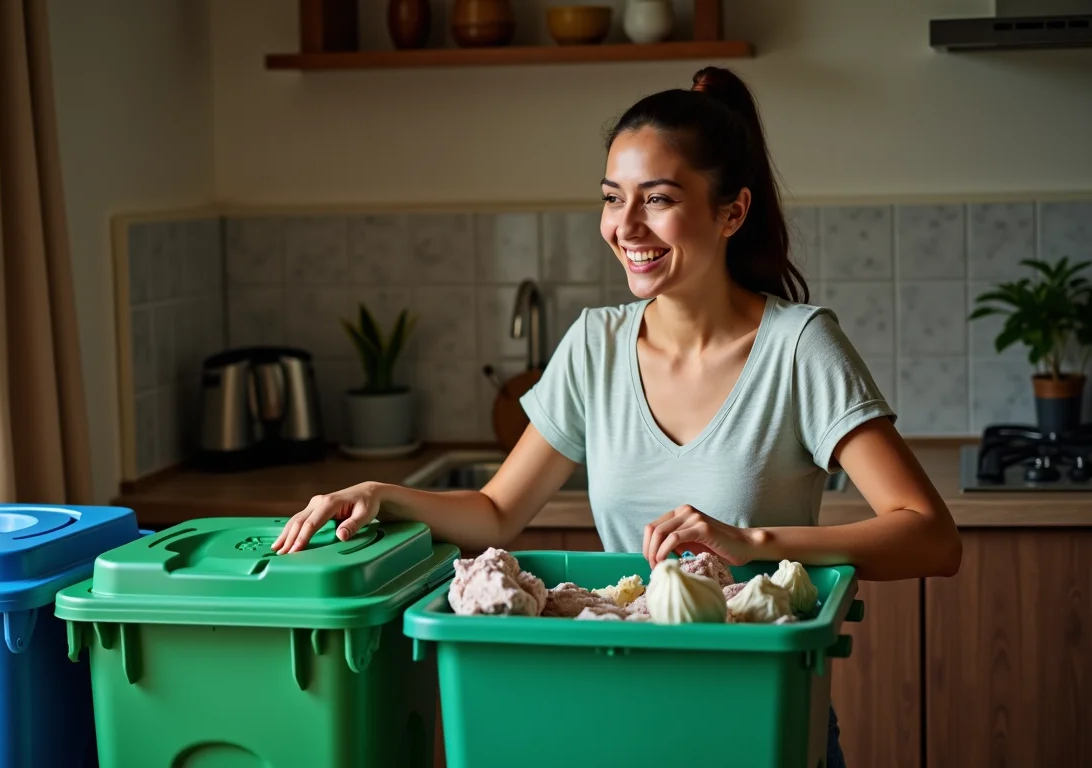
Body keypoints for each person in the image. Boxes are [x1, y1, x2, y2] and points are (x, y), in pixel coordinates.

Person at [274, 66, 962, 768]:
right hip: (614, 721)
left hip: (758, 723)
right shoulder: (595, 344)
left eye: (657, 200)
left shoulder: (798, 347)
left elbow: (933, 539)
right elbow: (495, 511)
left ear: (732, 211)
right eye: (612, 199)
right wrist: (378, 495)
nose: (625, 227)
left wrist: (750, 540)